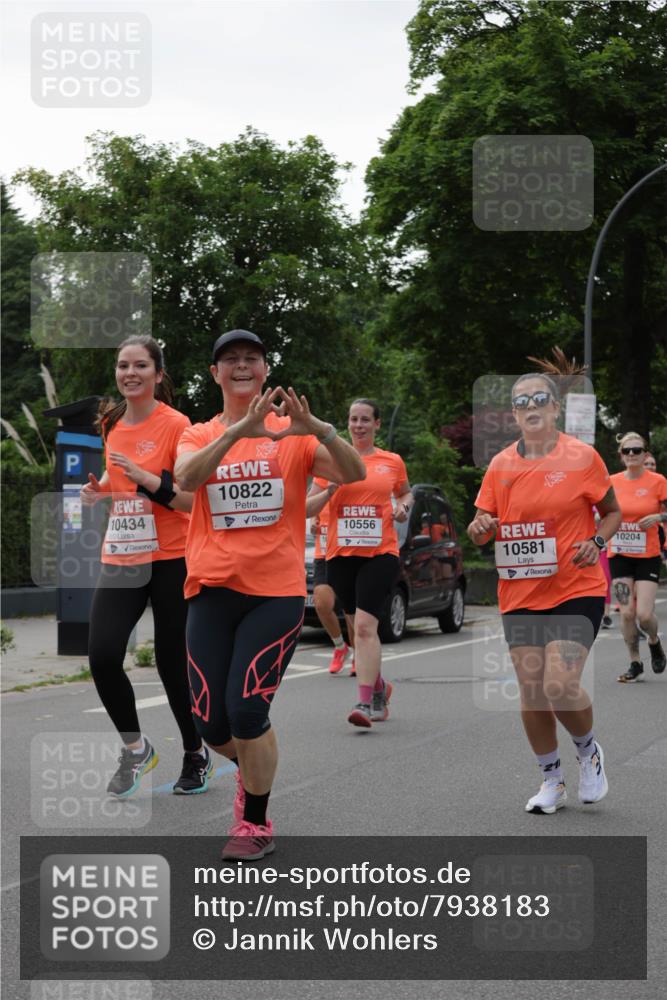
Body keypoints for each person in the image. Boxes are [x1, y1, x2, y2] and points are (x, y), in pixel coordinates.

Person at [173, 329, 365, 860]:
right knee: (211, 723)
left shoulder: (294, 436)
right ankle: (252, 772)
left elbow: (354, 472)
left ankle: (254, 821)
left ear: (264, 370)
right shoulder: (198, 433)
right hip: (210, 590)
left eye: (251, 359)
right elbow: (186, 479)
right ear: (215, 374)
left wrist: (319, 429)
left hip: (275, 594)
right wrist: (237, 433)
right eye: (229, 360)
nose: (241, 366)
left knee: (247, 711)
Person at [468, 352, 621, 814]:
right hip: (520, 593)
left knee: (559, 683)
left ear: (554, 408)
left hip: (577, 587)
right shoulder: (499, 465)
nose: (531, 406)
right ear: (514, 414)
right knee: (533, 690)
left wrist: (596, 540)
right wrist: (479, 528)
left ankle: (589, 750)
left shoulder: (582, 458)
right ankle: (551, 780)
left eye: (540, 398)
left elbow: (612, 512)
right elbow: (484, 519)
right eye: (521, 402)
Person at [81, 335, 207, 797]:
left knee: (173, 666)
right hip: (122, 556)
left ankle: (195, 752)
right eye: (122, 366)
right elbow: (123, 485)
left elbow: (191, 501)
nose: (129, 373)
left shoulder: (178, 426)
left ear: (158, 373)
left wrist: (144, 480)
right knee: (102, 655)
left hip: (172, 556)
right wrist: (103, 492)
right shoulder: (113, 424)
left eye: (139, 366)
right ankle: (136, 749)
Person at [323, 399, 413, 728]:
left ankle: (364, 701)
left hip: (380, 554)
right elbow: (312, 504)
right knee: (355, 626)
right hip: (341, 556)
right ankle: (379, 687)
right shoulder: (332, 460)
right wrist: (327, 492)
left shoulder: (391, 461)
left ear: (376, 424)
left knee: (364, 628)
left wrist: (403, 507)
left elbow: (405, 493)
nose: (358, 425)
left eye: (365, 420)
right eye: (353, 419)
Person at [609, 433, 667, 682]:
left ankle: (654, 641)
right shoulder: (610, 482)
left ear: (645, 454)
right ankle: (635, 662)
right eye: (627, 451)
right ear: (621, 456)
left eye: (637, 450)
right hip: (620, 554)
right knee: (626, 613)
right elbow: (599, 511)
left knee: (644, 614)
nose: (631, 454)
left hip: (647, 555)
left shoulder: (658, 481)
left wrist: (659, 518)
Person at [305, 479, 354, 674]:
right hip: (324, 552)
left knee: (351, 609)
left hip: (347, 551)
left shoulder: (353, 473)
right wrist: (313, 524)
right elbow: (309, 504)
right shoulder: (322, 477)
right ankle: (340, 647)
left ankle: (359, 653)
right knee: (321, 603)